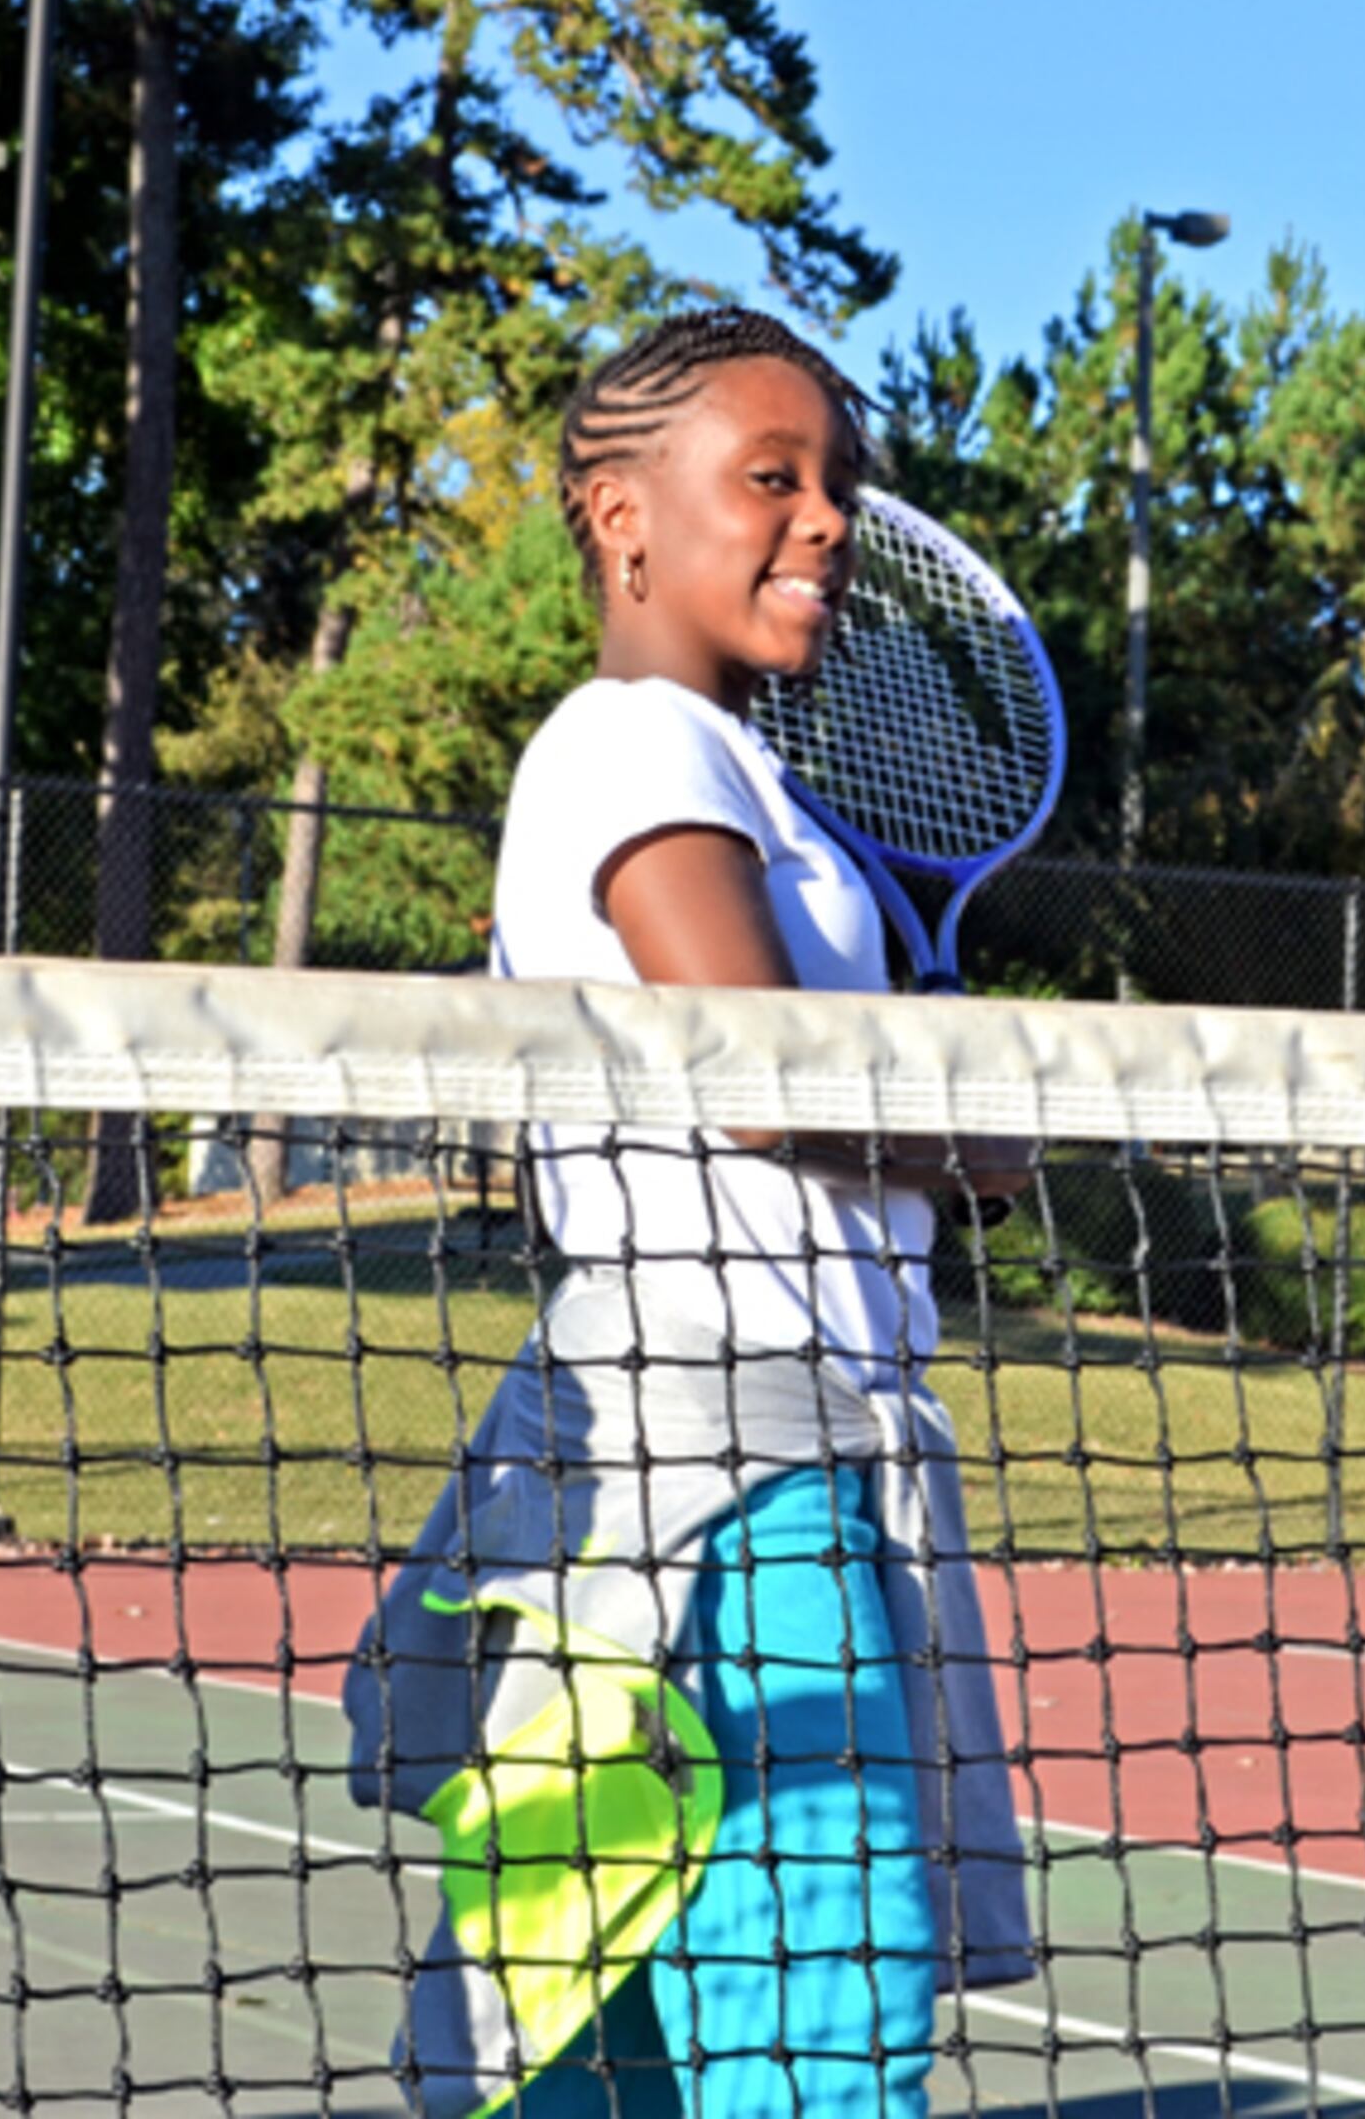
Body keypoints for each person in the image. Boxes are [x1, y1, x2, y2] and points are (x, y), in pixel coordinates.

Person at [341, 308, 1038, 2119]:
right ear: (618, 513)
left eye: (841, 489)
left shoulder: (766, 787)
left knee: (624, 2019)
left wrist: (947, 1116)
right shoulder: (628, 743)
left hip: (772, 1461)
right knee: (826, 2028)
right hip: (727, 1489)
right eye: (772, 479)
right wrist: (957, 1135)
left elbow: (877, 1103)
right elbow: (766, 1074)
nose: (824, 522)